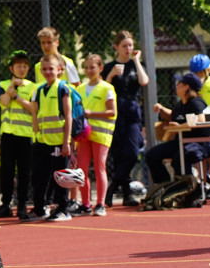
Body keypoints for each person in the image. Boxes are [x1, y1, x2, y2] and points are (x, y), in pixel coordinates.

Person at [103, 30, 150, 207]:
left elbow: (144, 81)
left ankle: (112, 186)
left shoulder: (136, 64)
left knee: (132, 152)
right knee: (119, 154)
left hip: (132, 110)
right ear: (116, 47)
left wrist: (136, 61)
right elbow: (102, 90)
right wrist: (111, 75)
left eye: (130, 45)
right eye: (124, 46)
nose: (128, 49)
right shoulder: (109, 67)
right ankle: (127, 194)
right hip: (116, 111)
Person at [145, 74, 210, 185]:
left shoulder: (196, 102)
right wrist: (161, 109)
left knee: (180, 157)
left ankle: (188, 190)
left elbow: (200, 120)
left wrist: (179, 127)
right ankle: (166, 187)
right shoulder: (181, 104)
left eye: (179, 84)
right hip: (181, 142)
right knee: (152, 155)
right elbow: (174, 115)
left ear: (186, 87)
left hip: (200, 143)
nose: (176, 86)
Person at [0, 50, 37, 220]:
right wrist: (12, 86)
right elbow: (3, 102)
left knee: (24, 172)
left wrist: (16, 96)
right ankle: (5, 204)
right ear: (11, 68)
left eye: (25, 66)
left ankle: (22, 206)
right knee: (7, 171)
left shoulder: (33, 86)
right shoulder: (3, 84)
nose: (22, 68)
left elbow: (33, 109)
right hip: (8, 134)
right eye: (19, 66)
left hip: (25, 135)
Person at [30, 53, 74, 221]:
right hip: (41, 140)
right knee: (39, 176)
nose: (48, 72)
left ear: (59, 70)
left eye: (51, 69)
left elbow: (68, 116)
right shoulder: (40, 89)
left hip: (58, 141)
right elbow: (36, 113)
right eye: (45, 69)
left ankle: (63, 208)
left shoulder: (63, 88)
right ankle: (40, 208)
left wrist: (66, 142)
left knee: (61, 176)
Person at [75, 54, 117, 217]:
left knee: (100, 168)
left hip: (100, 133)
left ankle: (100, 203)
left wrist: (92, 113)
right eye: (86, 67)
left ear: (100, 68)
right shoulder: (79, 88)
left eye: (92, 67)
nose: (89, 70)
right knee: (82, 169)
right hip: (83, 134)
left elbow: (112, 112)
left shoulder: (107, 88)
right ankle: (85, 203)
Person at [191, 53, 210, 195]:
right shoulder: (193, 86)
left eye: (200, 72)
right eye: (195, 73)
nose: (198, 75)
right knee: (200, 157)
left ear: (208, 70)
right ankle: (202, 184)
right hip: (199, 127)